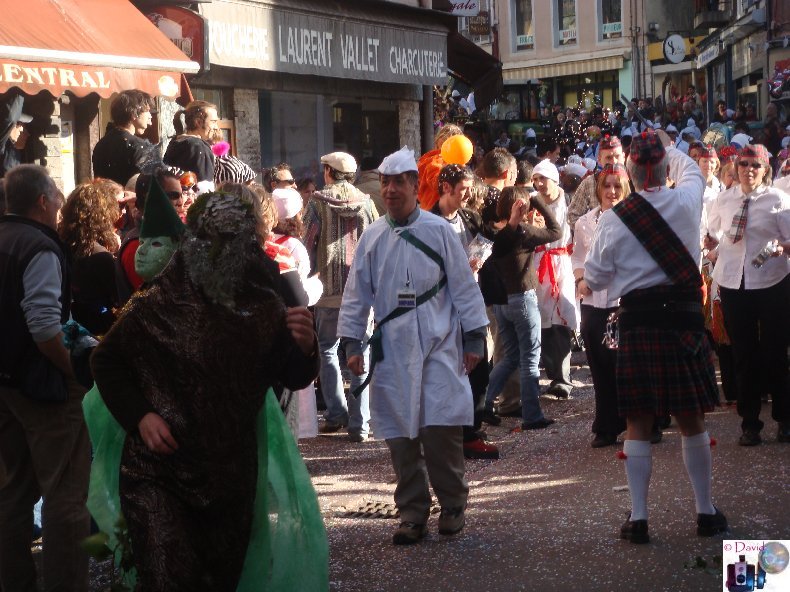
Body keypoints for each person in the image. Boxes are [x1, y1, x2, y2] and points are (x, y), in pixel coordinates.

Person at [90, 187, 321, 590]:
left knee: (216, 581)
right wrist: (140, 416)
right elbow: (106, 360)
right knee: (167, 579)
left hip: (227, 477)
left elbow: (293, 374)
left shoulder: (264, 303)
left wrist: (307, 347)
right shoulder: (159, 299)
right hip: (157, 472)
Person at [583, 129, 728, 544]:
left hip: (639, 324)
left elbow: (594, 278)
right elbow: (687, 167)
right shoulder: (687, 199)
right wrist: (666, 141)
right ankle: (705, 512)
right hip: (682, 323)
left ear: (628, 170)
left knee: (638, 421)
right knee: (691, 418)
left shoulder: (613, 219)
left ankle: (641, 518)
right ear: (666, 167)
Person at [338, 146, 488, 545]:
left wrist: (474, 336)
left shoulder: (438, 231)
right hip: (393, 352)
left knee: (440, 432)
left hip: (439, 346)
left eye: (397, 182)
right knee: (401, 438)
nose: (388, 190)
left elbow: (462, 285)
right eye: (384, 182)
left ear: (411, 184)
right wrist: (353, 342)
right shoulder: (371, 238)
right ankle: (412, 512)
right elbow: (357, 295)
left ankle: (453, 505)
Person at [0, 164, 90, 592]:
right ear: (41, 201)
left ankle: (16, 582)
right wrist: (74, 371)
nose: (59, 202)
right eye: (55, 194)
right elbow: (43, 327)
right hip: (41, 386)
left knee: (12, 495)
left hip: (6, 387)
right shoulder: (39, 247)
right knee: (67, 495)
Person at [705, 144, 790, 446]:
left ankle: (784, 418)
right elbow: (713, 233)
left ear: (765, 169)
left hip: (771, 280)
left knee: (776, 351)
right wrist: (711, 246)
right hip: (733, 282)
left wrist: (779, 249)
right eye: (744, 165)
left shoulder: (778, 200)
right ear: (736, 167)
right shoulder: (723, 200)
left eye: (755, 166)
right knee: (743, 354)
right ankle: (749, 423)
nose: (748, 170)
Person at [303, 151, 377, 442]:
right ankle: (361, 425)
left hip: (328, 290)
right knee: (361, 354)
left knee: (328, 350)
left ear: (329, 172)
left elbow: (308, 241)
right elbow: (375, 241)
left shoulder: (318, 202)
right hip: (360, 291)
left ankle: (336, 415)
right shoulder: (367, 202)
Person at [430, 164, 499, 460]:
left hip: (471, 298)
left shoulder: (470, 217)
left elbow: (486, 242)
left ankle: (471, 429)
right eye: (464, 189)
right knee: (449, 367)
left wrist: (480, 258)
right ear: (446, 187)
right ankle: (452, 432)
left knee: (479, 364)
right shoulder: (428, 223)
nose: (469, 195)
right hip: (443, 305)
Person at [481, 185, 561, 429]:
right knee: (529, 358)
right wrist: (537, 201)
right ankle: (532, 415)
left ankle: (483, 403)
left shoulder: (492, 231)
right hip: (522, 299)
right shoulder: (522, 232)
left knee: (508, 357)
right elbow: (555, 231)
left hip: (501, 303)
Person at [572, 165, 629, 447]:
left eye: (617, 186)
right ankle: (606, 425)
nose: (611, 192)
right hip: (594, 303)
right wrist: (581, 279)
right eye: (607, 186)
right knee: (600, 366)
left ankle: (638, 422)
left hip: (623, 302)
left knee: (626, 366)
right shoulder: (585, 222)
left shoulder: (633, 220)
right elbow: (578, 258)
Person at [530, 160, 578, 399]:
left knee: (561, 319)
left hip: (561, 264)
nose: (539, 184)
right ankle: (545, 374)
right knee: (540, 321)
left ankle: (562, 378)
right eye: (535, 179)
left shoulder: (567, 202)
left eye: (543, 179)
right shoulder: (532, 202)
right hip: (538, 266)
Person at [58, 179, 124, 336]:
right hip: (99, 330)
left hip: (69, 326)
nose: (120, 212)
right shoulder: (100, 256)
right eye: (117, 207)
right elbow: (119, 299)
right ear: (102, 215)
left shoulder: (61, 243)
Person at [92, 90, 158, 185]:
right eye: (147, 111)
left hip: (106, 198)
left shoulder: (101, 144)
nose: (150, 116)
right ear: (134, 114)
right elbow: (148, 186)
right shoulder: (139, 146)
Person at [567, 135, 626, 229]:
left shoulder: (633, 180)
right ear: (599, 160)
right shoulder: (590, 182)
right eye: (608, 158)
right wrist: (592, 231)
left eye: (617, 156)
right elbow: (572, 216)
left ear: (624, 156)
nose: (614, 161)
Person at [163, 100, 219, 183]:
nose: (216, 127)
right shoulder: (199, 147)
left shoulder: (175, 143)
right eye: (213, 122)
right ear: (198, 122)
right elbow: (203, 189)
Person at [417, 123, 463, 212]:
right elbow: (437, 184)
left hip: (430, 209)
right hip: (435, 212)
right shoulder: (437, 160)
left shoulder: (430, 159)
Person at [0, 90, 33, 177]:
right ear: (12, 127)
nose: (27, 134)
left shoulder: (17, 151)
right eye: (21, 125)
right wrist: (20, 87)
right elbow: (10, 118)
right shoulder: (2, 145)